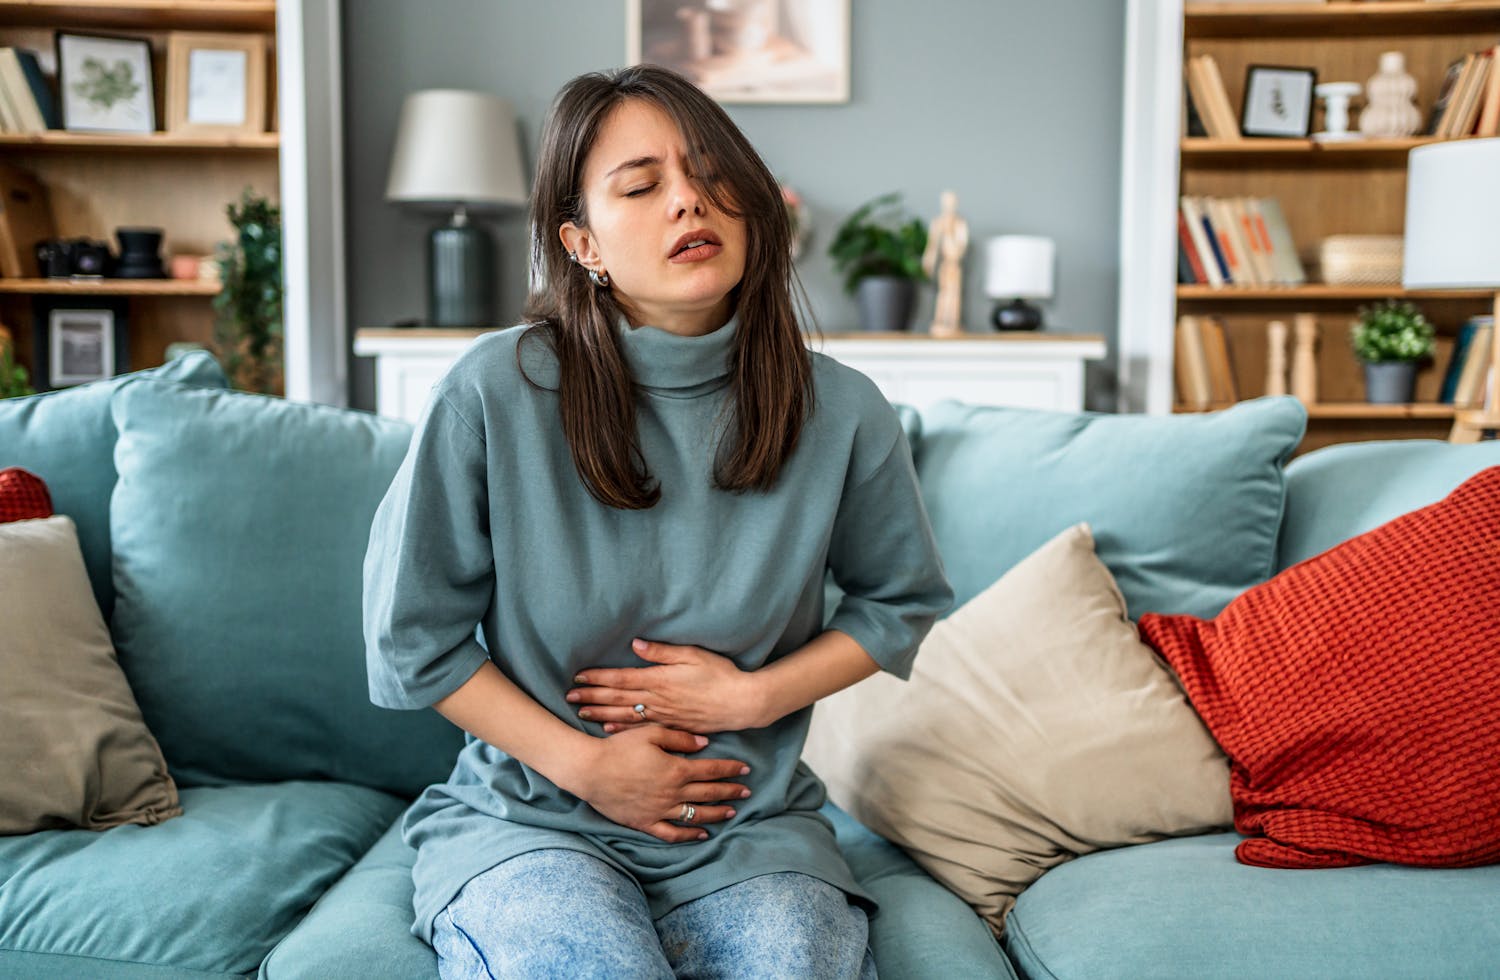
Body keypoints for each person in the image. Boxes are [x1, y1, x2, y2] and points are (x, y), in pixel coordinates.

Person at [363, 64, 953, 980]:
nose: (688, 201)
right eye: (641, 186)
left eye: (713, 176)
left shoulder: (842, 411)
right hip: (533, 823)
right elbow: (413, 640)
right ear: (582, 243)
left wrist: (755, 697)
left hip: (749, 833)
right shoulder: (493, 390)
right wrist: (586, 766)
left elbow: (901, 601)